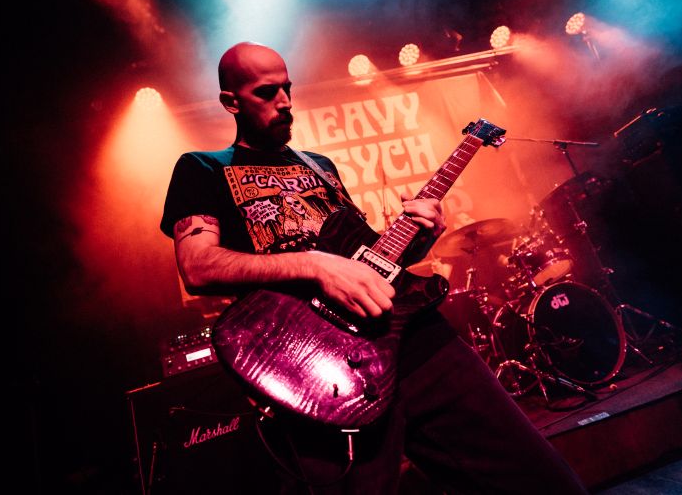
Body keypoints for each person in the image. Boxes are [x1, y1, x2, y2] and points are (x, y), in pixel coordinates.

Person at [160, 42, 588, 494]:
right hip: (319, 368)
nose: (284, 102)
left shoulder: (319, 166)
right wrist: (316, 266)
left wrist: (421, 236)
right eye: (267, 92)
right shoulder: (203, 168)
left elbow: (367, 261)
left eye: (287, 88)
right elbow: (199, 266)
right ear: (231, 102)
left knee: (543, 480)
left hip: (416, 341)